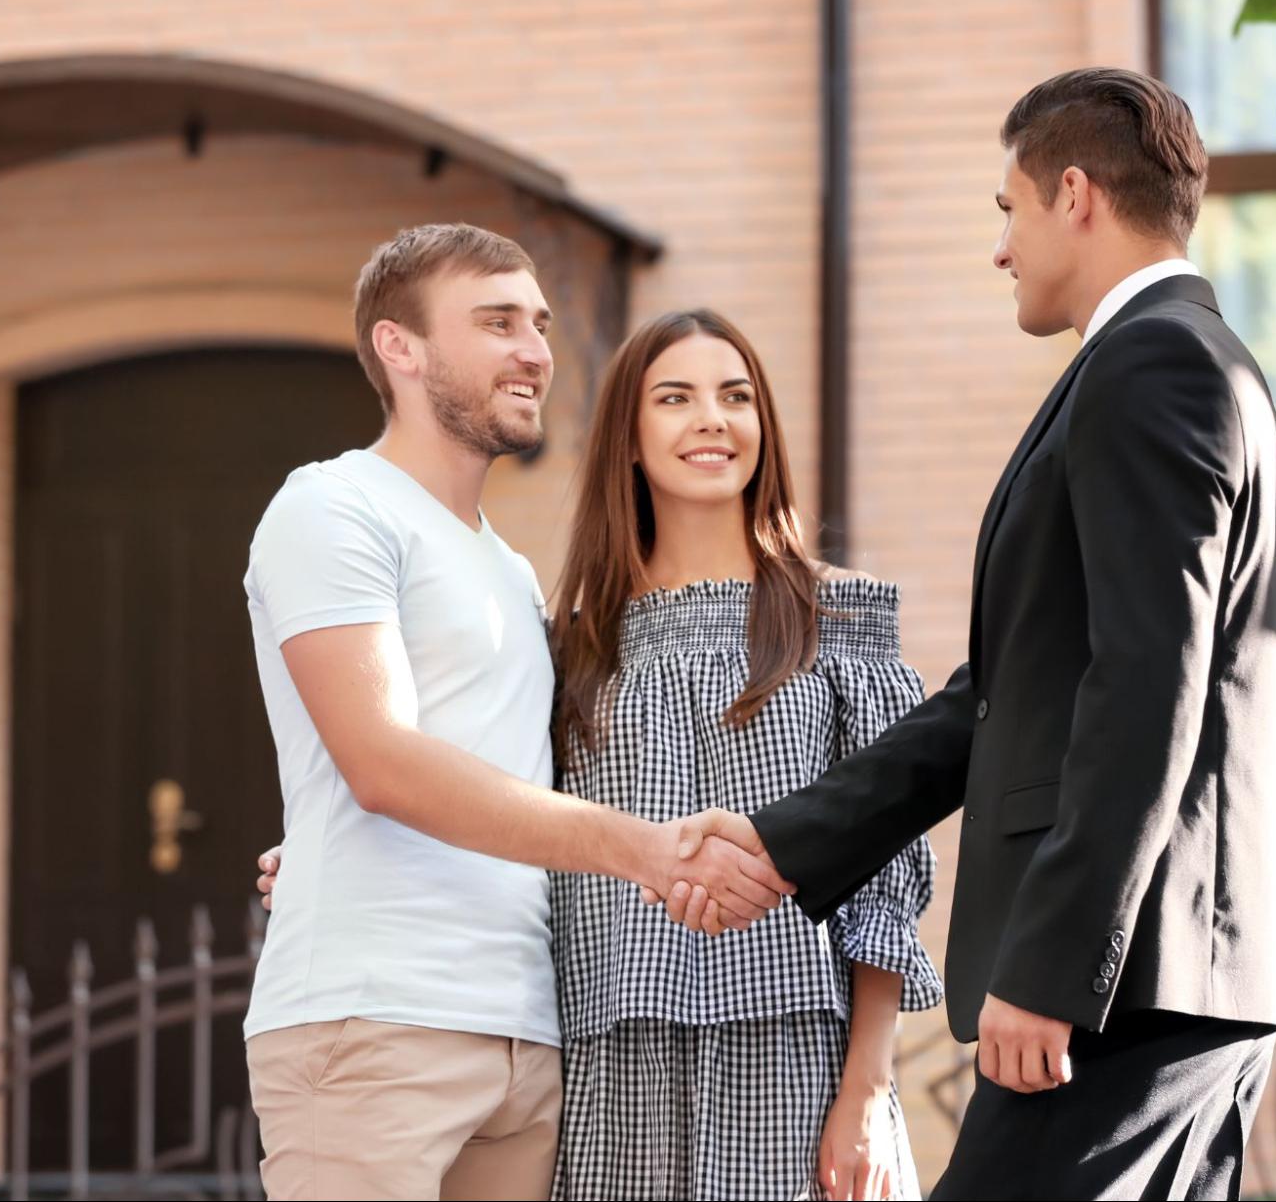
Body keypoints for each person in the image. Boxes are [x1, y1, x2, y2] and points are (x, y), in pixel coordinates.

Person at [669, 69, 1276, 1201]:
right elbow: (1005, 690)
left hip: (1123, 990)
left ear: (1072, 194)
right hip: (1170, 973)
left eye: (1004, 210)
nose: (999, 249)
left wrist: (1058, 962)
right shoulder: (1182, 363)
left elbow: (1145, 685)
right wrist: (786, 841)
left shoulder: (1149, 367)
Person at [261, 308, 942, 1201]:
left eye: (735, 397)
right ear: (628, 434)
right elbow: (472, 785)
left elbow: (883, 869)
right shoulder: (570, 647)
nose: (711, 419)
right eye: (675, 397)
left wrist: (868, 1085)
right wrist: (326, 847)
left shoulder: (838, 623)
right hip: (607, 1061)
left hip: (795, 1054)